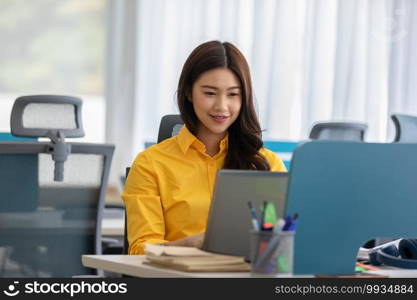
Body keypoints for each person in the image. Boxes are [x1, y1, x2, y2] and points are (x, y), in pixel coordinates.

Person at [122, 40, 287, 255]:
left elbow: (283, 239)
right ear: (189, 93)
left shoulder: (266, 164)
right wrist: (191, 244)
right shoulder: (150, 164)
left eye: (233, 94)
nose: (221, 106)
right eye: (210, 93)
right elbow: (140, 250)